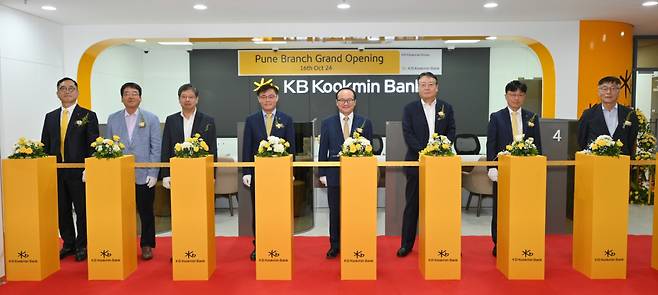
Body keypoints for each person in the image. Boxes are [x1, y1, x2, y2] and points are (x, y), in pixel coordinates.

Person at [397, 72, 456, 257]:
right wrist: (426, 152)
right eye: (423, 84)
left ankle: (443, 243)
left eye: (431, 84)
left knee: (441, 206)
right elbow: (408, 134)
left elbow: (452, 131)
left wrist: (440, 149)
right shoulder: (409, 108)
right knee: (412, 205)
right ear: (418, 88)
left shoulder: (447, 107)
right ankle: (406, 244)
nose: (427, 87)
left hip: (442, 166)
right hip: (416, 163)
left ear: (437, 87)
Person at [41, 77, 99, 261]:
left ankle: (82, 245)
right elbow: (45, 144)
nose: (67, 91)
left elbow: (93, 144)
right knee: (62, 209)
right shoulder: (50, 117)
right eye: (62, 88)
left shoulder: (88, 115)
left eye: (71, 88)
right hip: (56, 171)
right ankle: (68, 243)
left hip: (79, 172)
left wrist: (88, 167)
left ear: (77, 92)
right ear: (57, 93)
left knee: (82, 210)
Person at [486, 80, 543, 257]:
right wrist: (492, 167)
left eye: (519, 95)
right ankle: (499, 242)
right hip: (503, 172)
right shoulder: (496, 117)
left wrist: (537, 167)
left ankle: (520, 238)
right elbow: (491, 144)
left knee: (523, 207)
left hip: (525, 172)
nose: (516, 98)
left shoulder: (532, 117)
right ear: (506, 96)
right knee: (500, 208)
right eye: (512, 94)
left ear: (524, 97)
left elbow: (538, 145)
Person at [106, 82, 161, 260]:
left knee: (146, 212)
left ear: (140, 97)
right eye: (127, 93)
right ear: (122, 98)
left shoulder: (151, 118)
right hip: (120, 174)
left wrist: (153, 173)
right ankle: (122, 242)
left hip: (144, 175)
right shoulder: (112, 119)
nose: (130, 96)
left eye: (134, 93)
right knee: (120, 212)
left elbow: (156, 147)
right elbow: (108, 147)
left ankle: (147, 245)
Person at [242, 79, 295, 261]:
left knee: (279, 210)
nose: (267, 100)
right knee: (260, 211)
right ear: (258, 99)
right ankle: (259, 245)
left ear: (277, 98)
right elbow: (247, 147)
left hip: (280, 176)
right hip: (258, 175)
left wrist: (291, 171)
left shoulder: (286, 119)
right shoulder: (251, 120)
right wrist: (247, 171)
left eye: (271, 96)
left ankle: (280, 242)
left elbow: (292, 149)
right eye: (263, 97)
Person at [318, 87, 373, 259]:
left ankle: (356, 242)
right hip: (334, 174)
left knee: (357, 211)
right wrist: (322, 173)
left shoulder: (365, 122)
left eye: (349, 100)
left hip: (358, 177)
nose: (346, 103)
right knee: (335, 211)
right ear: (336, 103)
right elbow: (323, 150)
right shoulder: (327, 122)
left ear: (355, 102)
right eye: (342, 100)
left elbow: (369, 151)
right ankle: (335, 245)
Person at [160, 83, 218, 187]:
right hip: (176, 171)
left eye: (191, 97)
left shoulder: (208, 120)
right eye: (184, 97)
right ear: (179, 99)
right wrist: (165, 174)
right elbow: (165, 148)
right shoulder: (171, 120)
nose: (187, 100)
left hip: (200, 171)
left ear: (197, 99)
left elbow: (212, 149)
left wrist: (212, 175)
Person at [578, 76, 639, 156]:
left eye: (613, 88)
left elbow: (632, 139)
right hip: (595, 162)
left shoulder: (629, 114)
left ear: (618, 91)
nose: (608, 92)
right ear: (599, 91)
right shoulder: (588, 114)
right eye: (604, 88)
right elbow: (581, 139)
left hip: (622, 162)